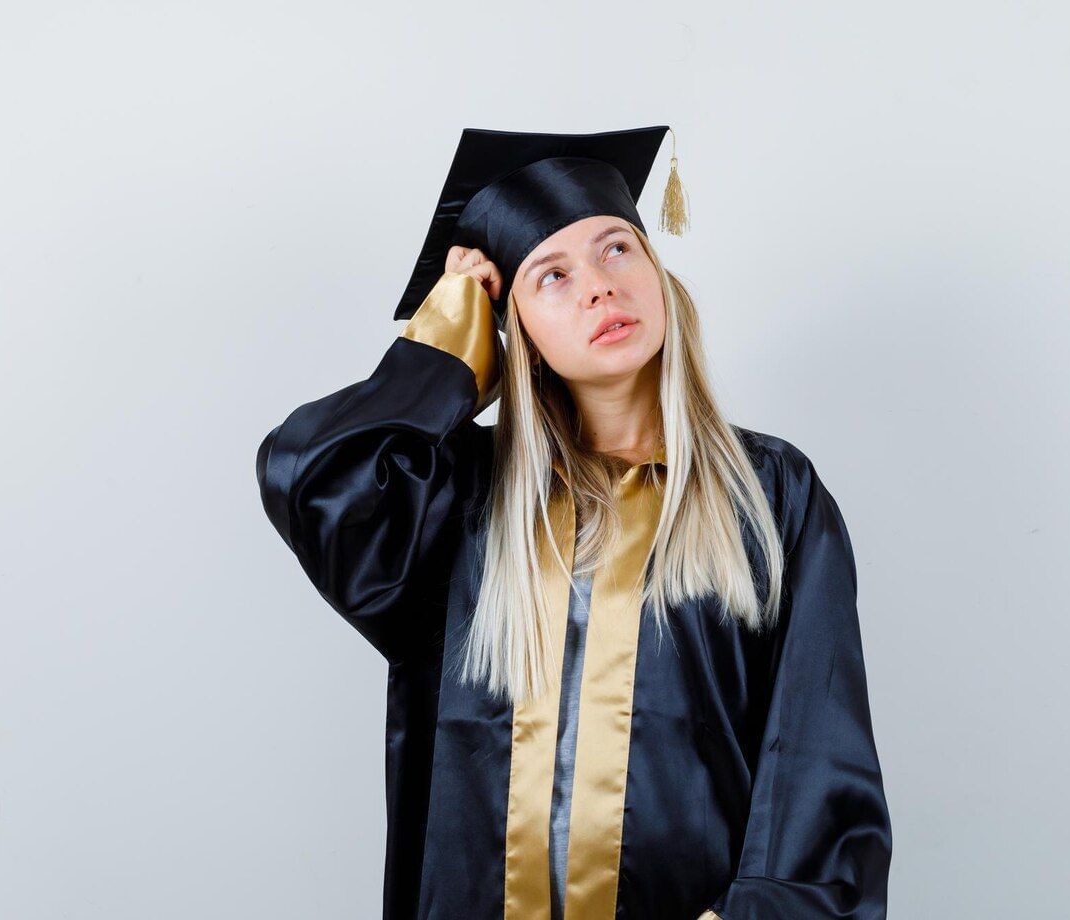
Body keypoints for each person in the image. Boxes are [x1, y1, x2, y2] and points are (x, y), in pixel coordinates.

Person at [255, 125, 891, 920]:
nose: (598, 286)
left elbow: (815, 760)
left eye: (617, 249)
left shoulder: (769, 494)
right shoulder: (461, 503)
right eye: (551, 275)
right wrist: (442, 358)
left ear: (658, 273)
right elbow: (311, 475)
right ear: (513, 331)